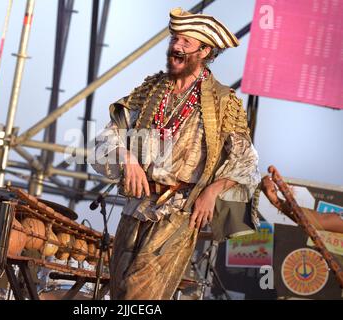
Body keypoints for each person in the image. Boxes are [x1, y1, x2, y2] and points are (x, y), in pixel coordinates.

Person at [92, 8, 261, 300]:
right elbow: (109, 135)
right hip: (136, 206)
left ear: (205, 50)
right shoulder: (151, 89)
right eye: (174, 39)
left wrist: (212, 192)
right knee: (119, 290)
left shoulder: (222, 101)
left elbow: (246, 162)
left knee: (140, 293)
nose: (176, 46)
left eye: (185, 42)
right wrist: (126, 157)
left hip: (179, 211)